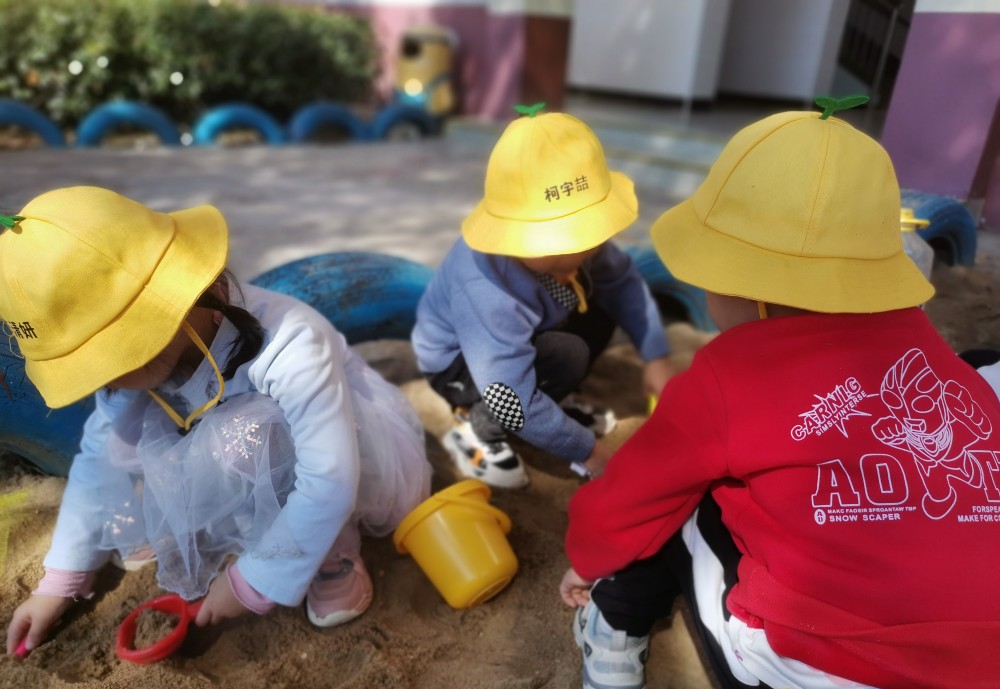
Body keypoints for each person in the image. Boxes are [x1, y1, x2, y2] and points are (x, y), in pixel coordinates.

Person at [559, 101, 1000, 689]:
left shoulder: (727, 376)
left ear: (755, 291)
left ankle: (614, 626)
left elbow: (626, 499)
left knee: (683, 498)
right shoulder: (935, 357)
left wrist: (584, 560)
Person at [2, 186, 431, 656]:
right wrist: (60, 580)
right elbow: (96, 459)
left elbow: (330, 477)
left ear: (180, 302)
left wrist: (253, 582)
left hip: (346, 447)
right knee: (149, 443)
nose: (101, 380)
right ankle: (260, 529)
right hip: (241, 453)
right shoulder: (134, 376)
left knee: (246, 442)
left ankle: (334, 555)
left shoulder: (291, 343)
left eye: (109, 357)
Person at [411, 104, 674, 489]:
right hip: (460, 363)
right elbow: (508, 395)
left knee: (602, 306)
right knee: (566, 355)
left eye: (587, 236)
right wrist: (586, 451)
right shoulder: (486, 287)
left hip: (524, 331)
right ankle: (475, 424)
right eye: (558, 243)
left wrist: (655, 356)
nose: (580, 252)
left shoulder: (578, 252)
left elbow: (624, 283)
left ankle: (552, 398)